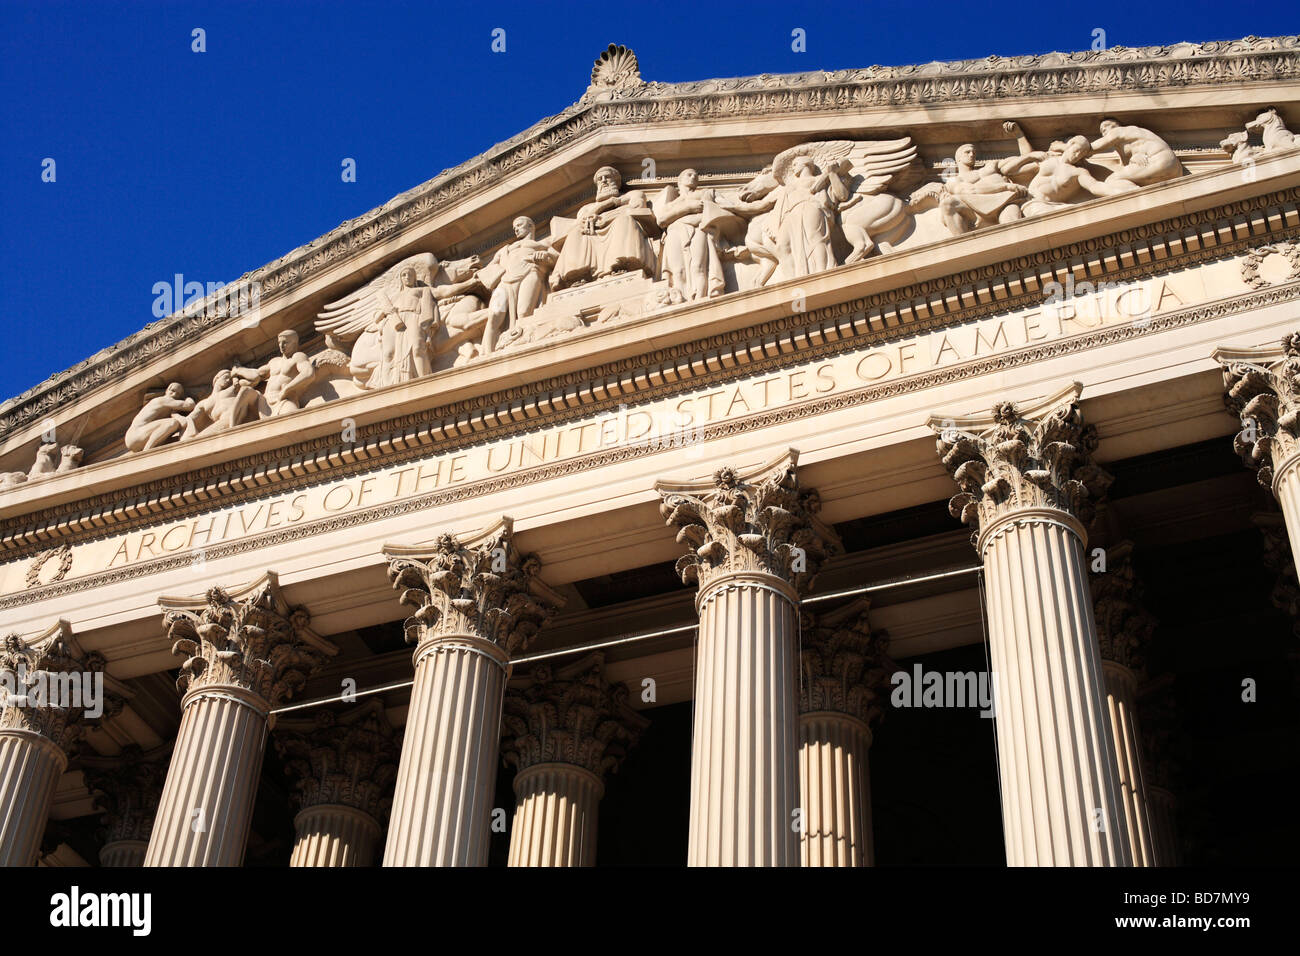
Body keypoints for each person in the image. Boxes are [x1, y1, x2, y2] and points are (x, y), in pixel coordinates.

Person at [551, 166, 656, 289]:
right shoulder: (586, 208)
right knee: (577, 233)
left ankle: (621, 265)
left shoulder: (632, 194)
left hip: (617, 225)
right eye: (600, 179)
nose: (604, 181)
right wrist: (602, 207)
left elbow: (637, 206)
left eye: (608, 177)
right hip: (593, 233)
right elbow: (581, 220)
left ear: (617, 181)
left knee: (623, 221)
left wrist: (612, 204)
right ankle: (579, 275)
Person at [479, 216, 558, 353]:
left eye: (519, 225)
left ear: (530, 226)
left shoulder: (543, 243)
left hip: (530, 274)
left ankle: (523, 347)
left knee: (524, 313)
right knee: (494, 316)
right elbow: (489, 268)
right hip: (505, 282)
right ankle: (486, 355)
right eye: (514, 227)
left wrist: (545, 257)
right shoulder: (505, 249)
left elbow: (557, 256)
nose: (516, 229)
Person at [1089, 118, 1182, 187]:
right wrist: (1134, 158)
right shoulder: (1129, 141)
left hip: (1158, 160)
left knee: (1112, 181)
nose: (1103, 133)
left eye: (1105, 129)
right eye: (1102, 131)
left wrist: (1076, 144)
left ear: (1114, 126)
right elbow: (1127, 167)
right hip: (1175, 170)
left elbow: (1091, 148)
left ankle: (1139, 198)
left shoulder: (1118, 131)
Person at [125, 382, 195, 452]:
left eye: (178, 394)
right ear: (167, 390)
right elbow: (189, 406)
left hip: (137, 436)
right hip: (135, 434)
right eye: (173, 391)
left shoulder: (166, 405)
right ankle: (147, 451)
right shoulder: (163, 400)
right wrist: (186, 396)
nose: (174, 394)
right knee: (172, 422)